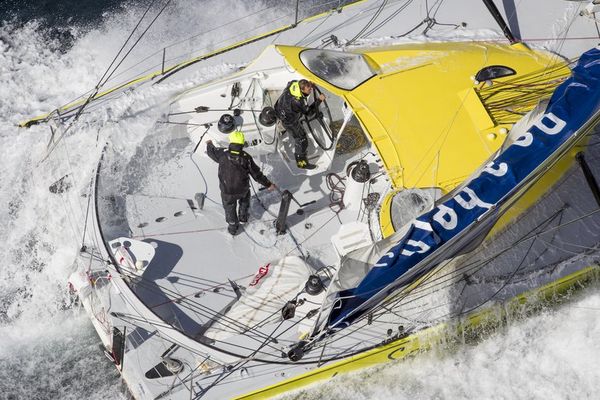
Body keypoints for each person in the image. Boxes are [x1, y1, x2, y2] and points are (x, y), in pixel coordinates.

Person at [206, 131, 276, 235]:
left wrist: (209, 144)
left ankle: (233, 227)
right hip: (242, 189)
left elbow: (211, 152)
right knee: (244, 200)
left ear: (231, 141)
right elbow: (256, 174)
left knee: (229, 207)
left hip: (227, 190)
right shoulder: (246, 157)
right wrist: (268, 184)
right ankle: (243, 217)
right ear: (242, 143)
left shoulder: (222, 154)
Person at [274, 79, 326, 169]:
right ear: (301, 90)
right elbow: (309, 113)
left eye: (310, 88)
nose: (310, 90)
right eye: (308, 89)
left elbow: (289, 82)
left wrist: (310, 84)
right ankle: (301, 163)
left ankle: (283, 127)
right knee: (301, 139)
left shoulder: (292, 85)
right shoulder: (298, 101)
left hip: (278, 110)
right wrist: (319, 100)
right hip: (289, 121)